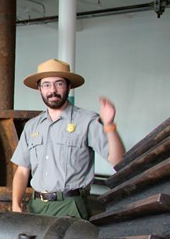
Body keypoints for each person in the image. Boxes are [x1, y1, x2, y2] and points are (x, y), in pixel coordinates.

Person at [11, 59, 125, 219]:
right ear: (39, 89)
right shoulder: (32, 126)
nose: (53, 90)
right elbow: (22, 171)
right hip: (35, 206)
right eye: (46, 85)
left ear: (69, 86)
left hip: (71, 206)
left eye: (59, 84)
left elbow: (118, 160)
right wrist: (16, 204)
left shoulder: (87, 121)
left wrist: (109, 126)